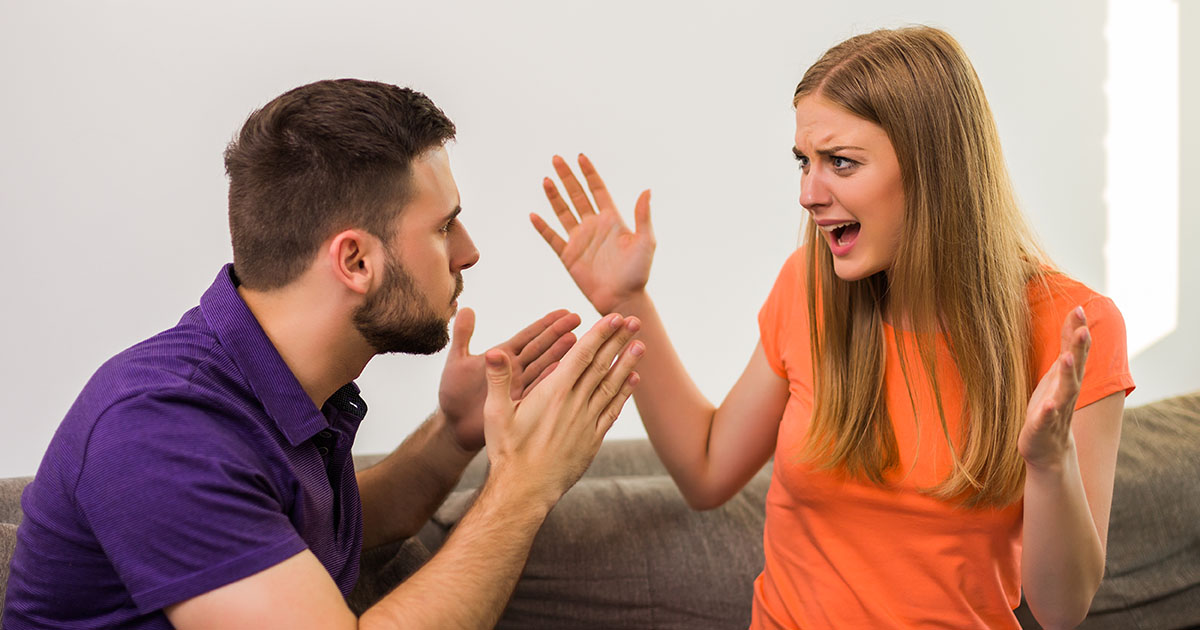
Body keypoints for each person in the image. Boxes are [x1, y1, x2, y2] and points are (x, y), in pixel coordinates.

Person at [530, 26, 1134, 630]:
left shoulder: (1074, 329)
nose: (808, 193)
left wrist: (1051, 464)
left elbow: (1062, 609)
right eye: (804, 162)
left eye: (840, 162)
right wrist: (628, 298)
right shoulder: (809, 289)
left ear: (933, 168)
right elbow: (706, 470)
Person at [3, 78, 645, 629]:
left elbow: (323, 530)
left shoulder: (275, 386)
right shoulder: (159, 431)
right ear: (356, 260)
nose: (468, 251)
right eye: (445, 226)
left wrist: (453, 436)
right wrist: (523, 486)